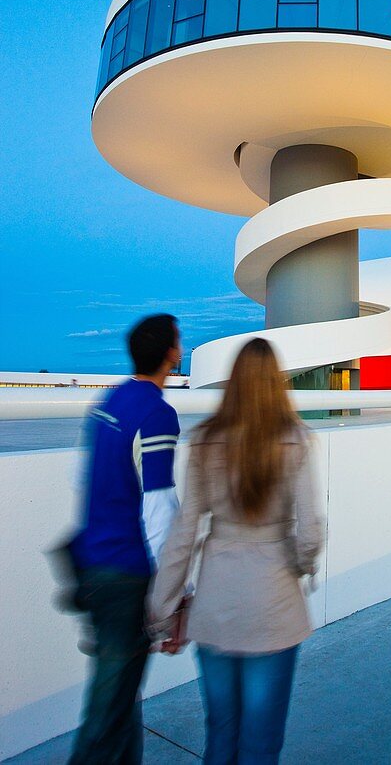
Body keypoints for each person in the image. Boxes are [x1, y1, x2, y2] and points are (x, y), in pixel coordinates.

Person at [149, 337, 324, 765]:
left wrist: (163, 608)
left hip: (217, 603)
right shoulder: (296, 439)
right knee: (261, 743)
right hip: (274, 604)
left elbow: (185, 532)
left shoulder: (207, 440)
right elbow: (312, 530)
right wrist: (301, 567)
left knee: (221, 734)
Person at [67, 314, 182, 765]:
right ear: (171, 354)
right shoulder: (157, 413)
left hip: (90, 565)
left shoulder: (106, 402)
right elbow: (159, 508)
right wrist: (173, 594)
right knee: (107, 711)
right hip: (124, 576)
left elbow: (88, 481)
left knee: (120, 701)